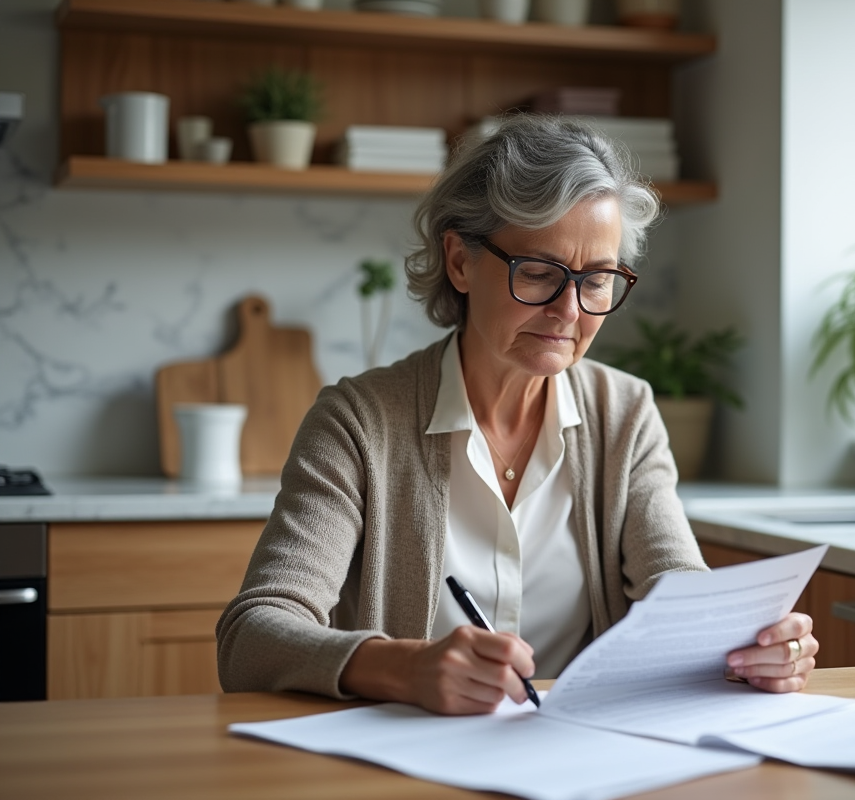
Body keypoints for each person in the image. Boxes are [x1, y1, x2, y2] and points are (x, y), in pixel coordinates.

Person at [216, 114, 818, 715]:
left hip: (582, 757)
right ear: (459, 260)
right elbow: (252, 636)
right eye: (538, 273)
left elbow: (677, 584)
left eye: (598, 279)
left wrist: (743, 645)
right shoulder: (358, 422)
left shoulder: (625, 413)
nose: (569, 311)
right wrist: (404, 667)